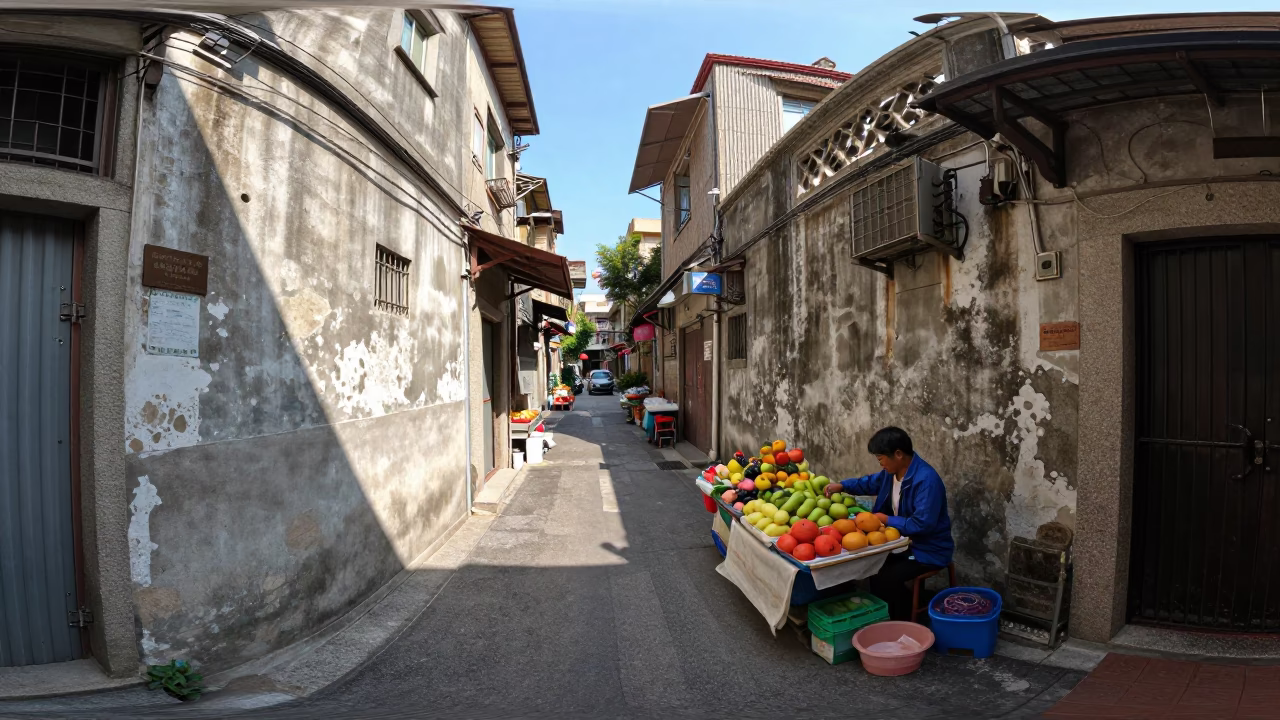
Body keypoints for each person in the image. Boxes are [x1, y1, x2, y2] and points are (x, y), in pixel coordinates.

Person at [824, 427, 953, 621]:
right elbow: (869, 483)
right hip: (902, 542)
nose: (881, 464)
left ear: (898, 454)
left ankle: (902, 621)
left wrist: (886, 520)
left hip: (928, 549)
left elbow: (922, 524)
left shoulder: (926, 481)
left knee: (884, 575)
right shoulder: (891, 473)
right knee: (872, 566)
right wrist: (842, 486)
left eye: (881, 458)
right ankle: (889, 614)